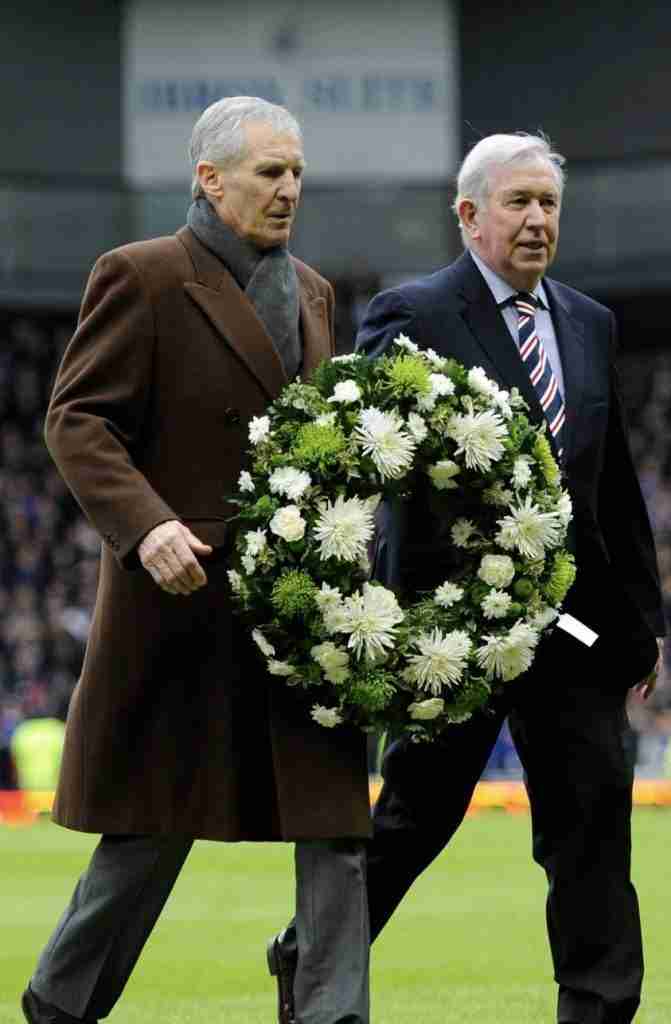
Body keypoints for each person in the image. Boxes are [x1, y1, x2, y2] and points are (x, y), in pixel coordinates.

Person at [268, 133, 667, 1024]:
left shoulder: (589, 322)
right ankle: (310, 956)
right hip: (453, 623)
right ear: (468, 214)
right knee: (415, 818)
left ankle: (599, 1009)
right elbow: (367, 450)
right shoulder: (412, 311)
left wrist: (645, 618)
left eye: (548, 203)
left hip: (575, 626)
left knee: (592, 826)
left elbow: (612, 483)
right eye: (517, 202)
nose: (536, 220)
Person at [22, 96, 371, 1024]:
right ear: (210, 179)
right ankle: (60, 1007)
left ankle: (332, 1016)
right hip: (181, 599)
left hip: (298, 604)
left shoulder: (313, 291)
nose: (289, 188)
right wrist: (145, 527)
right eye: (270, 171)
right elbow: (77, 420)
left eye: (297, 172)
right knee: (149, 831)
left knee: (335, 825)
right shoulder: (141, 274)